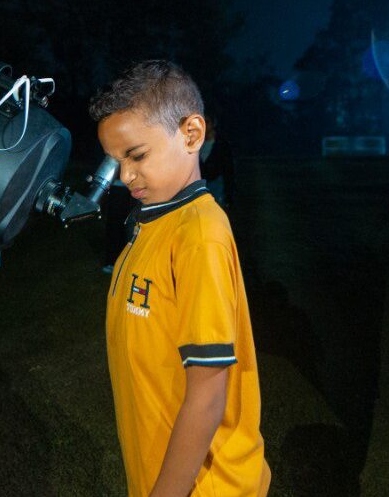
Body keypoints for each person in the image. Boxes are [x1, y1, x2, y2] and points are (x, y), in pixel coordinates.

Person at [88, 59, 270, 496]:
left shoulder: (199, 234)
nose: (125, 175)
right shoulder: (153, 222)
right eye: (116, 161)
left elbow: (208, 392)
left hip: (206, 486)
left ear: (191, 134)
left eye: (136, 156)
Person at [199, 114, 236, 209]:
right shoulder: (196, 144)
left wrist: (229, 196)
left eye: (207, 122)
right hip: (200, 188)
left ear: (213, 123)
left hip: (217, 186)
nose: (204, 126)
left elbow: (229, 171)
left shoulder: (222, 145)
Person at [102, 178, 136, 274]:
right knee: (115, 220)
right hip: (119, 183)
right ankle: (113, 261)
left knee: (135, 224)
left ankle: (132, 261)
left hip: (140, 183)